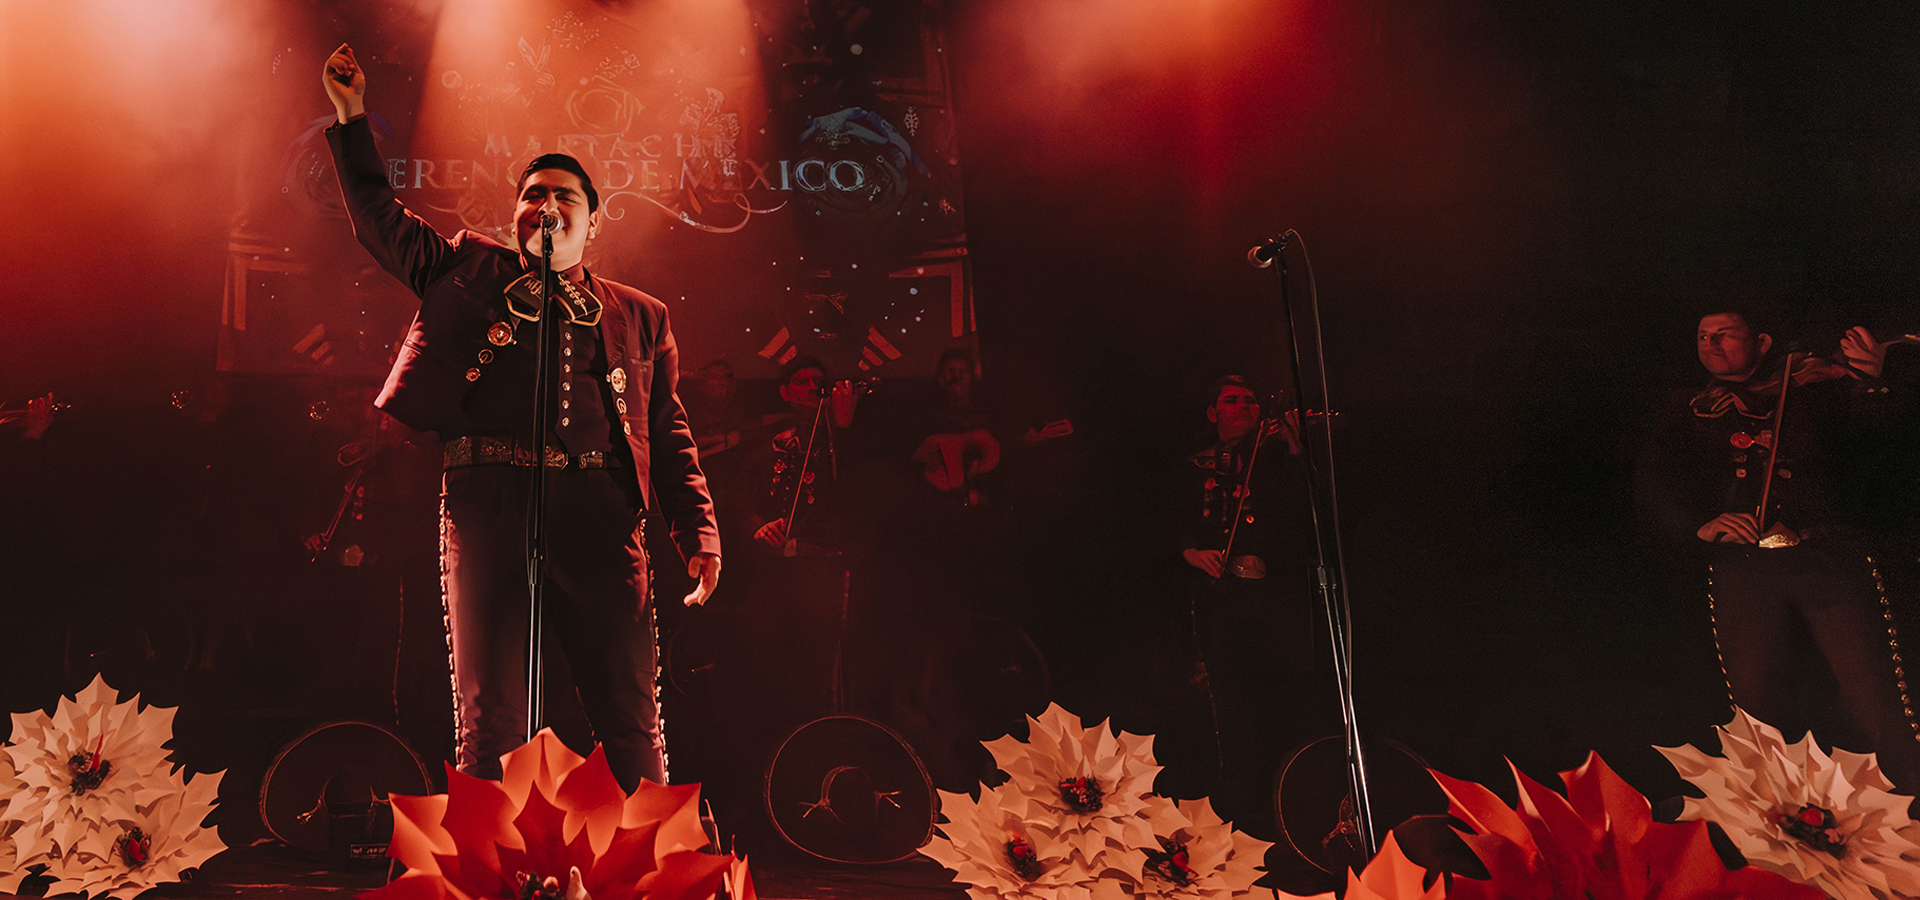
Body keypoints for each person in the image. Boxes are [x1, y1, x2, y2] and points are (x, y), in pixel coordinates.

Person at [321, 44, 720, 790]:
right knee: (491, 717)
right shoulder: (462, 272)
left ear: (593, 224)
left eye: (566, 196)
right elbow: (377, 219)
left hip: (600, 512)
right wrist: (350, 118)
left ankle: (650, 878)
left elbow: (668, 432)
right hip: (489, 506)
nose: (548, 204)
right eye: (534, 193)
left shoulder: (641, 315)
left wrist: (696, 528)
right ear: (516, 215)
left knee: (632, 713)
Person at [1640, 311, 1917, 789]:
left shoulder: (1820, 389)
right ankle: (1772, 821)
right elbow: (1654, 481)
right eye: (1703, 336)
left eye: (1724, 335)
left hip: (1827, 560)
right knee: (1755, 708)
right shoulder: (1686, 407)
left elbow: (1882, 445)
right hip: (1743, 568)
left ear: (1762, 340)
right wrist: (1699, 526)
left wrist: (1872, 382)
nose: (1711, 344)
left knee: (1875, 695)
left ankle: (1909, 803)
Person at [1170, 375, 1320, 836]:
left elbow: (1305, 518)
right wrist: (1190, 551)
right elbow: (1170, 520)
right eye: (1231, 400)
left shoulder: (1273, 458)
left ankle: (1291, 807)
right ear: (1213, 413)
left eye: (1251, 401)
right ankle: (1238, 812)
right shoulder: (1195, 465)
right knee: (1233, 704)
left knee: (1286, 700)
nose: (1244, 407)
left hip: (1277, 598)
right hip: (1224, 599)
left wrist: (1298, 453)